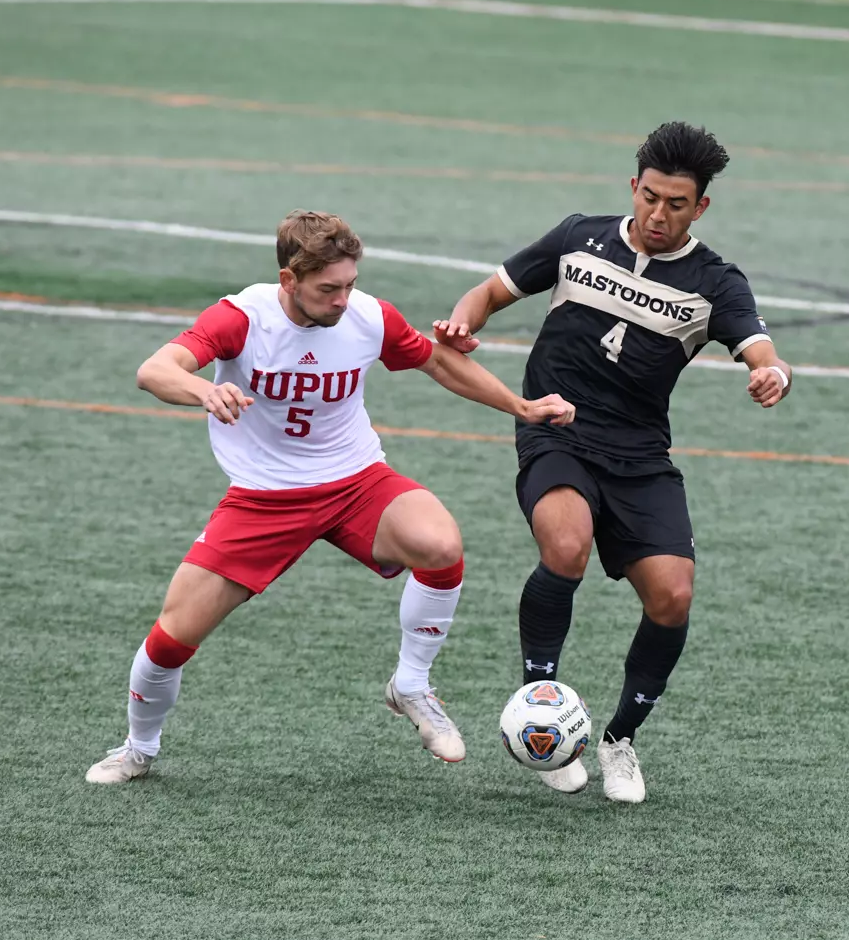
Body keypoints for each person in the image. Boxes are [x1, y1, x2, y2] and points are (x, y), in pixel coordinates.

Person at [86, 210, 575, 784]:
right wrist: (202, 388)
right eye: (328, 288)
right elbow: (155, 369)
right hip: (264, 498)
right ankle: (139, 748)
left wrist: (522, 408)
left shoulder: (369, 316)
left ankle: (411, 685)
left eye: (350, 284)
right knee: (171, 639)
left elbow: (439, 362)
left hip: (355, 482)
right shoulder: (242, 318)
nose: (343, 299)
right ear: (289, 280)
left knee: (440, 544)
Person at [434, 121, 792, 803]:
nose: (658, 215)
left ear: (701, 208)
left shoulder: (715, 282)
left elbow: (761, 350)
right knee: (565, 545)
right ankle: (541, 709)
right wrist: (462, 322)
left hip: (640, 453)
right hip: (555, 426)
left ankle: (619, 738)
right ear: (633, 186)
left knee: (673, 595)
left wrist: (772, 376)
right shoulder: (578, 238)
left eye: (676, 204)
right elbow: (486, 293)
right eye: (650, 197)